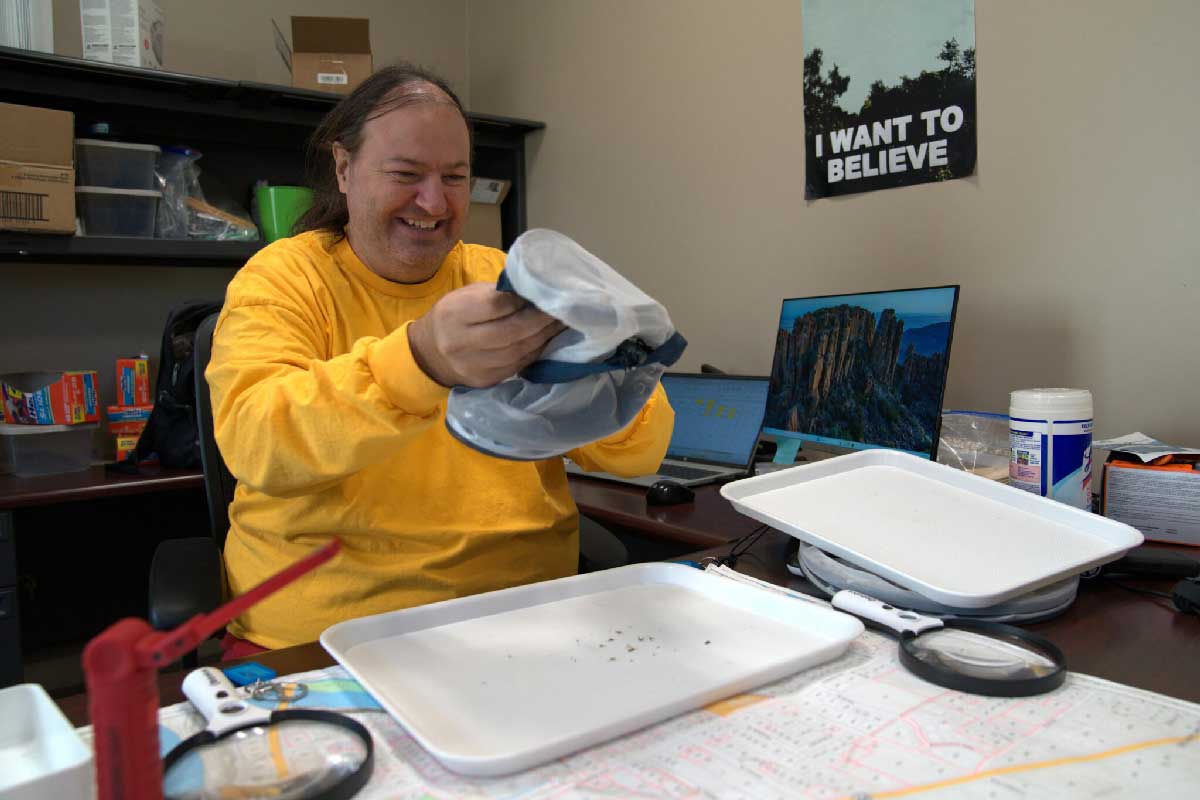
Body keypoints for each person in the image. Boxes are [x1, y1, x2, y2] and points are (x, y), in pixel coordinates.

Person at [206, 64, 675, 655]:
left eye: (455, 177)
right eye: (406, 174)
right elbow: (257, 443)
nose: (433, 201)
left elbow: (637, 456)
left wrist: (617, 365)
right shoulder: (283, 279)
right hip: (335, 635)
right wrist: (421, 359)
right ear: (344, 168)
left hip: (527, 616)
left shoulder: (499, 277)